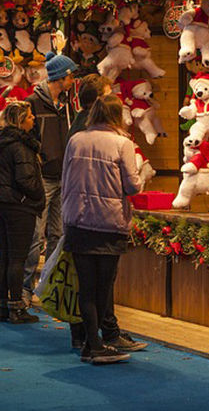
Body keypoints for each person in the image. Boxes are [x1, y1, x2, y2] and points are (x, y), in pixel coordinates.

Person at [65, 74, 145, 353]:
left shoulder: (76, 139)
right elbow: (133, 186)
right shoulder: (122, 143)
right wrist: (142, 173)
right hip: (108, 222)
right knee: (104, 285)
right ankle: (102, 340)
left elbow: (66, 179)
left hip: (78, 220)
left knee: (86, 287)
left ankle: (91, 342)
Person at [23, 51, 78, 295]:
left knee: (57, 234)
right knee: (36, 236)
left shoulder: (67, 105)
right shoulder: (32, 104)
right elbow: (27, 138)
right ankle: (25, 288)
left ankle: (49, 288)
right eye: (70, 76)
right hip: (43, 177)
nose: (73, 80)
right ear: (60, 77)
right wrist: (39, 159)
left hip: (63, 176)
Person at [0, 101, 45, 324]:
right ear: (20, 121)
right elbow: (25, 179)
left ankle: (2, 306)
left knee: (5, 257)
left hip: (0, 201)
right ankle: (16, 308)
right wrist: (39, 196)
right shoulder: (21, 146)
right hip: (18, 205)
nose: (33, 120)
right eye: (30, 117)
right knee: (17, 258)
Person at [67, 74, 112, 139]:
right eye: (108, 96)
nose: (113, 100)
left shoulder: (83, 120)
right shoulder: (89, 129)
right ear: (97, 100)